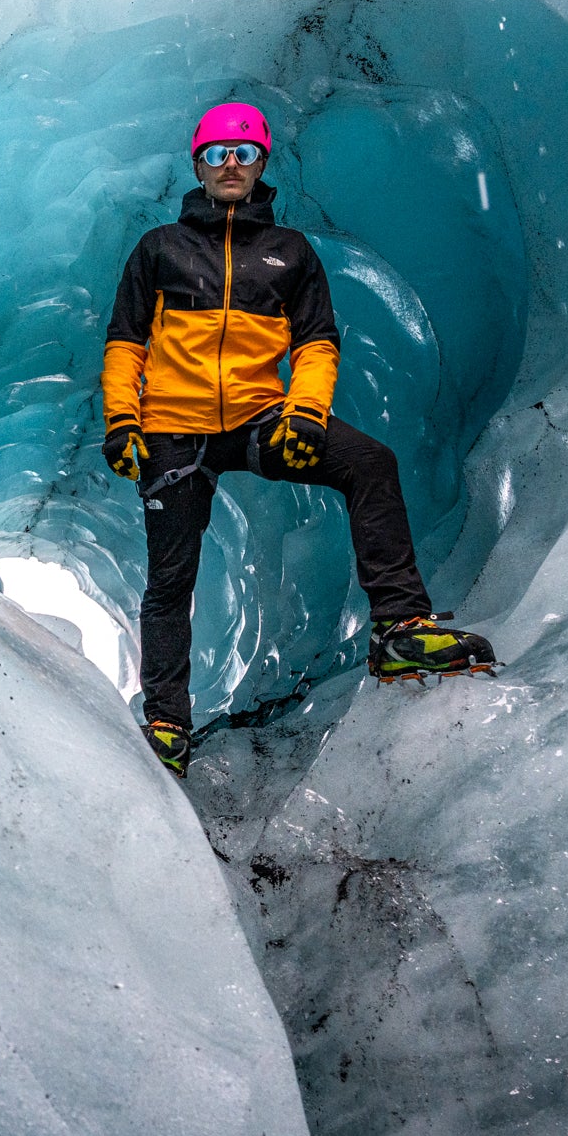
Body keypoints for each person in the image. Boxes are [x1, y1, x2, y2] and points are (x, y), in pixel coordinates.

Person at [99, 101, 496, 779]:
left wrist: (306, 413)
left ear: (261, 164)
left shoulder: (289, 254)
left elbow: (316, 343)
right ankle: (167, 722)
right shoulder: (159, 248)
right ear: (197, 162)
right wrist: (122, 422)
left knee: (370, 462)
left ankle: (399, 629)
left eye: (244, 152)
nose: (231, 164)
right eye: (218, 152)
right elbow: (126, 343)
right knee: (172, 579)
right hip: (176, 433)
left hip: (261, 421)